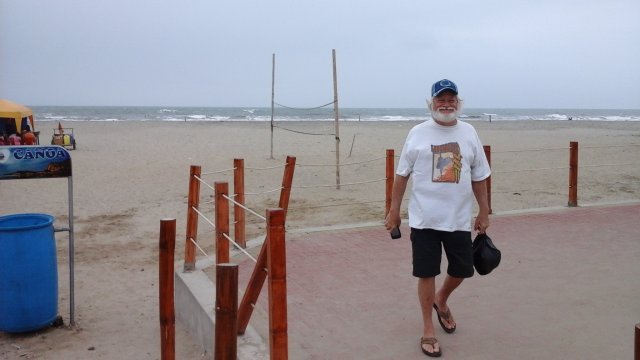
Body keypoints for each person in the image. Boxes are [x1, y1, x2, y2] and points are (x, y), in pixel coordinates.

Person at [384, 79, 491, 357]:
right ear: (431, 103)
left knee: (463, 270)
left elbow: (480, 175)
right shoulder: (417, 133)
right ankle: (428, 329)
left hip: (458, 219)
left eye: (451, 99)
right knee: (426, 272)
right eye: (440, 99)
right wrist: (394, 211)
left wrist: (484, 211)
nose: (446, 104)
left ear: (459, 103)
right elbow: (401, 175)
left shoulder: (469, 132)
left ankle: (441, 299)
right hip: (424, 220)